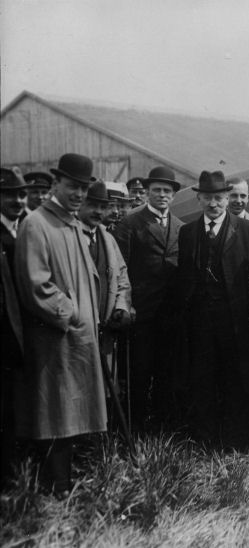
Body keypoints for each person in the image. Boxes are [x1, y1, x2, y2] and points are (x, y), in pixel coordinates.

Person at [14, 153, 105, 496]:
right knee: (55, 412)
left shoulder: (70, 224)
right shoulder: (37, 224)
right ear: (57, 184)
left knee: (73, 413)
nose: (79, 194)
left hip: (78, 339)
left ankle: (68, 483)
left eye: (84, 188)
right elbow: (36, 284)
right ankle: (56, 489)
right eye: (73, 186)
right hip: (55, 340)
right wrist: (71, 314)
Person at [177, 171, 249, 446]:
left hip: (235, 318)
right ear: (199, 198)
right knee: (202, 378)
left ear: (227, 198)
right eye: (207, 198)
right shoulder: (187, 232)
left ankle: (236, 439)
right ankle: (204, 438)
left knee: (235, 377)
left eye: (219, 198)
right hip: (200, 319)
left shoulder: (248, 230)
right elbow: (184, 276)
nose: (213, 204)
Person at [113, 166, 184, 431]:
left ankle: (163, 428)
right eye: (157, 190)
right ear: (147, 193)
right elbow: (121, 268)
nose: (162, 195)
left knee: (166, 372)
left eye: (167, 191)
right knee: (138, 374)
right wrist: (127, 304)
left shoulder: (180, 227)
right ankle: (136, 429)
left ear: (174, 195)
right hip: (140, 314)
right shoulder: (130, 223)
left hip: (170, 316)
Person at [76, 181, 133, 379]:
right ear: (80, 204)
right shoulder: (68, 237)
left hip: (106, 333)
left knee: (106, 391)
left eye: (103, 206)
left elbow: (122, 277)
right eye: (93, 205)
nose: (98, 212)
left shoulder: (108, 239)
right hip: (77, 333)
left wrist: (121, 307)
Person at [0, 167, 27, 487]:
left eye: (21, 194)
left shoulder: (26, 228)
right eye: (9, 195)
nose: (18, 200)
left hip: (26, 329)